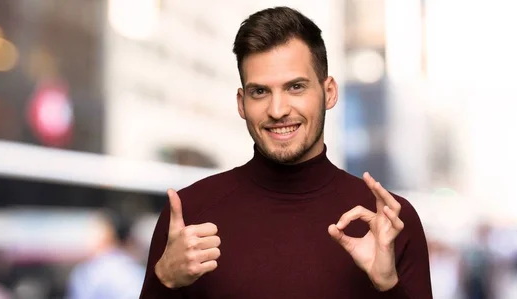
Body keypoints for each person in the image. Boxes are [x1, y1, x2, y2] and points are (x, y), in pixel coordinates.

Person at [139, 6, 432, 299]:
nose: (278, 110)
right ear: (241, 103)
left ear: (329, 92)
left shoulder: (389, 222)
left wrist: (388, 286)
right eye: (260, 92)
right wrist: (163, 280)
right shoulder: (189, 215)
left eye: (295, 87)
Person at [67, 209, 145, 299]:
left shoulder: (89, 271)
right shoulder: (134, 268)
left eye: (92, 230)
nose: (86, 237)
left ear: (107, 233)